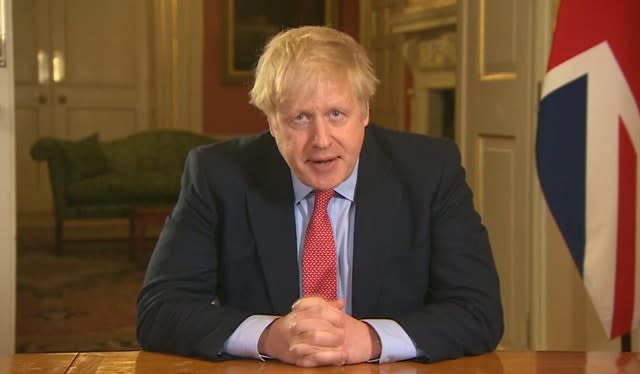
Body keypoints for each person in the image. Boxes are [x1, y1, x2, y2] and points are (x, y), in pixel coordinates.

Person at [136, 25, 503, 367]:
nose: (322, 140)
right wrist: (269, 335)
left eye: (336, 113)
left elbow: (478, 311)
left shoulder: (429, 171)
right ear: (271, 122)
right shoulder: (217, 174)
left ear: (365, 112)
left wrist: (370, 339)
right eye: (299, 118)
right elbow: (160, 310)